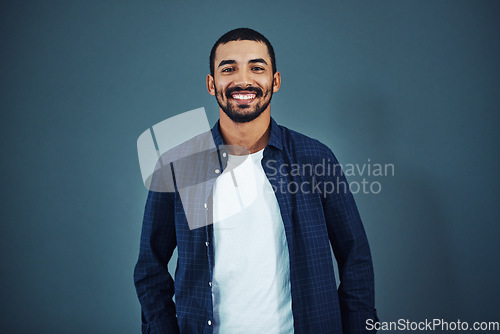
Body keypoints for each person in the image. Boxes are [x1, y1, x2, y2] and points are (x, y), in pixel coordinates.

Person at [134, 27, 378, 334]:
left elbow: (355, 256)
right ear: (212, 84)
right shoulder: (177, 166)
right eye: (229, 69)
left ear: (274, 81)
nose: (243, 80)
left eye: (257, 67)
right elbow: (150, 266)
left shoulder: (315, 159)